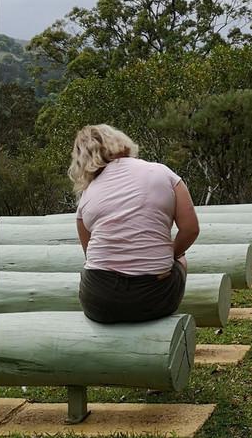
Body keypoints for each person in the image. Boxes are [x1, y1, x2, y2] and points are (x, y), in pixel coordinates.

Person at [69, 124, 200, 323]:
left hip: (99, 303)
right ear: (120, 142)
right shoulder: (163, 173)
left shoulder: (87, 194)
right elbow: (190, 229)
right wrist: (170, 254)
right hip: (155, 299)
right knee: (181, 258)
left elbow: (90, 255)